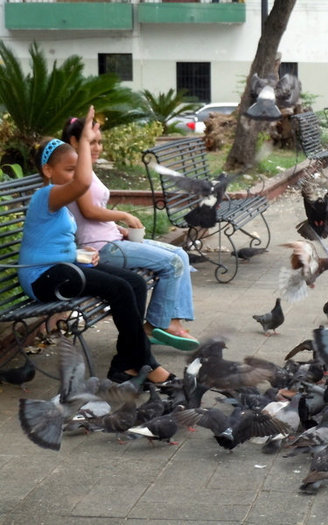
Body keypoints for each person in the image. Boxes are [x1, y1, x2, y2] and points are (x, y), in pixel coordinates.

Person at [18, 106, 174, 385]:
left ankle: (125, 365)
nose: (74, 175)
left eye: (75, 169)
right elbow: (82, 183)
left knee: (135, 283)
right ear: (47, 170)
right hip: (41, 277)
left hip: (60, 268)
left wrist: (79, 254)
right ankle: (145, 362)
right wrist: (87, 140)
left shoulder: (60, 205)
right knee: (121, 290)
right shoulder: (47, 195)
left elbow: (52, 243)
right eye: (69, 169)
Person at [61, 117, 199, 351]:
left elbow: (92, 213)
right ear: (74, 141)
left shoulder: (87, 170)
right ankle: (155, 325)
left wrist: (119, 228)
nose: (97, 148)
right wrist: (122, 215)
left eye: (99, 143)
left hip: (113, 239)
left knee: (180, 254)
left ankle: (172, 322)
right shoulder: (76, 173)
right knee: (173, 263)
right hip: (101, 248)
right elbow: (88, 210)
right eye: (91, 142)